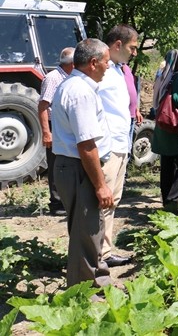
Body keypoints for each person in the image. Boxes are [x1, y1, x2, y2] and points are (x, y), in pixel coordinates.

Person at [51, 38, 114, 288]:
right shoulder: (80, 91)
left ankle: (95, 279)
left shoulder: (77, 86)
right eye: (106, 62)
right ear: (93, 62)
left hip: (76, 167)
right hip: (79, 169)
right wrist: (100, 185)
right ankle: (83, 292)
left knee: (90, 228)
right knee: (85, 232)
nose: (108, 67)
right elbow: (86, 145)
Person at [99, 24, 139, 268]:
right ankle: (98, 254)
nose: (135, 53)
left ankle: (104, 250)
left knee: (113, 199)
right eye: (132, 47)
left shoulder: (117, 69)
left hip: (120, 144)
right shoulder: (101, 71)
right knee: (102, 202)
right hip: (108, 146)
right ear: (117, 45)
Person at [151, 50, 178, 213]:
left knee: (167, 164)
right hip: (174, 128)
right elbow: (176, 100)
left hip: (162, 127)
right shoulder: (175, 78)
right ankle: (173, 199)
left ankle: (166, 199)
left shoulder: (161, 76)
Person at [38, 46, 75, 216]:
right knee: (55, 164)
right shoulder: (53, 78)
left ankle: (66, 199)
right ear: (72, 63)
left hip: (65, 125)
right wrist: (47, 132)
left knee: (66, 162)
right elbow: (43, 106)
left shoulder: (69, 77)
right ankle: (56, 203)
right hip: (54, 127)